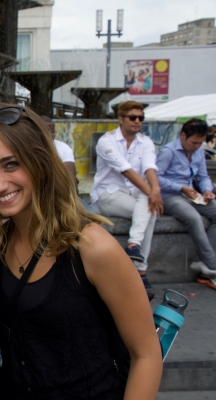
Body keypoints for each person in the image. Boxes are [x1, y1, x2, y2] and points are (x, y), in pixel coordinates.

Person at [0, 105, 163, 399]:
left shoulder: (92, 247)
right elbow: (1, 335)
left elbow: (146, 355)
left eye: (11, 164)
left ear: (41, 163)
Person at [90, 100, 163, 297]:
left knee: (150, 209)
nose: (137, 121)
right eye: (132, 117)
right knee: (150, 210)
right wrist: (152, 194)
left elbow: (149, 167)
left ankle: (134, 248)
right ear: (121, 119)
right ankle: (140, 269)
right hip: (108, 195)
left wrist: (155, 189)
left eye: (141, 118)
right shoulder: (106, 141)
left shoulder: (145, 142)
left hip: (133, 194)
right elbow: (126, 171)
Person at [156, 119, 216, 290]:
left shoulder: (198, 152)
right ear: (183, 136)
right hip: (170, 195)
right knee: (194, 218)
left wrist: (207, 190)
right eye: (194, 142)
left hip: (193, 195)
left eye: (200, 143)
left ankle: (201, 261)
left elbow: (203, 176)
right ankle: (212, 266)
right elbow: (155, 177)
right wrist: (180, 187)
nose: (197, 146)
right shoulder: (168, 151)